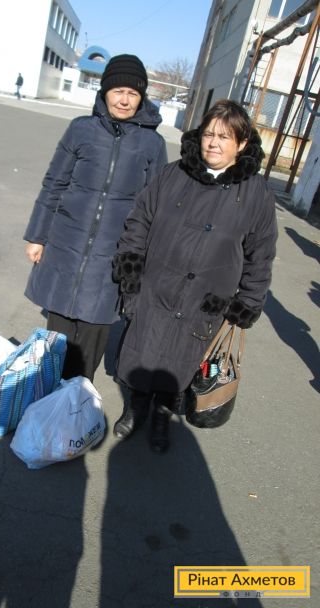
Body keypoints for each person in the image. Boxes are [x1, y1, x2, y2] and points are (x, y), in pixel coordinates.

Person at [112, 99, 278, 452]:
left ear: (242, 143)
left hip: (205, 298)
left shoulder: (256, 192)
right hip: (157, 285)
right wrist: (131, 268)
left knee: (180, 361)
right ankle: (135, 408)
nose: (213, 143)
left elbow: (261, 254)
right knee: (143, 350)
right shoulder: (174, 174)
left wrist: (248, 301)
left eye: (224, 137)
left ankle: (162, 416)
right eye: (208, 134)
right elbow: (139, 220)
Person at [23, 54, 168, 382]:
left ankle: (77, 400)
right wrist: (37, 236)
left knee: (90, 342)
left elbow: (154, 206)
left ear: (141, 98)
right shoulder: (81, 130)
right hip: (66, 243)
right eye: (118, 91)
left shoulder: (152, 143)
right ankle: (47, 398)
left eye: (133, 93)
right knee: (56, 340)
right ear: (105, 92)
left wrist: (144, 259)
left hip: (113, 254)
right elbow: (54, 183)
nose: (124, 100)